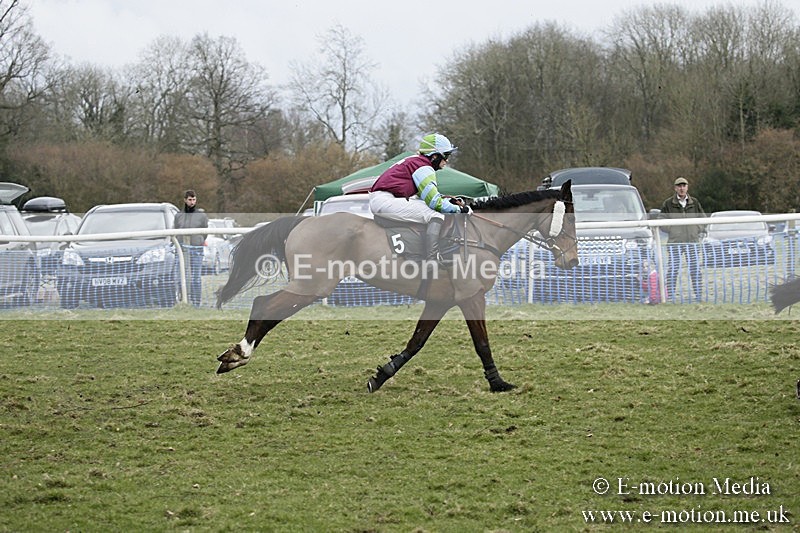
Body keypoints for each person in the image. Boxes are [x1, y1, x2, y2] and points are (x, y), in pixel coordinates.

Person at [369, 133, 470, 263]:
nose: (447, 160)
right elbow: (435, 202)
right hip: (385, 200)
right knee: (435, 213)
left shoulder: (417, 161)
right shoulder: (423, 167)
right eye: (446, 155)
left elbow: (428, 198)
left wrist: (448, 202)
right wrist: (458, 210)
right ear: (434, 156)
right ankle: (432, 260)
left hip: (384, 199)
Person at [659, 176, 706, 302]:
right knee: (673, 269)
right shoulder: (668, 203)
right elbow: (661, 220)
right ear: (675, 188)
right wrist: (672, 229)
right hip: (675, 243)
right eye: (679, 186)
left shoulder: (695, 202)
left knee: (695, 269)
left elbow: (703, 219)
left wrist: (697, 228)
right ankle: (670, 297)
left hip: (692, 242)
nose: (681, 188)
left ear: (687, 187)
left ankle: (698, 296)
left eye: (684, 185)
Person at [174, 189, 208, 306]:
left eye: (194, 199)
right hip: (183, 249)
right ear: (185, 200)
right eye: (190, 200)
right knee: (180, 276)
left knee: (196, 278)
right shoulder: (179, 215)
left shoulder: (202, 215)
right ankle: (183, 300)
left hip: (197, 249)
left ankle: (196, 302)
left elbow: (205, 232)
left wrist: (199, 241)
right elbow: (176, 231)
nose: (192, 202)